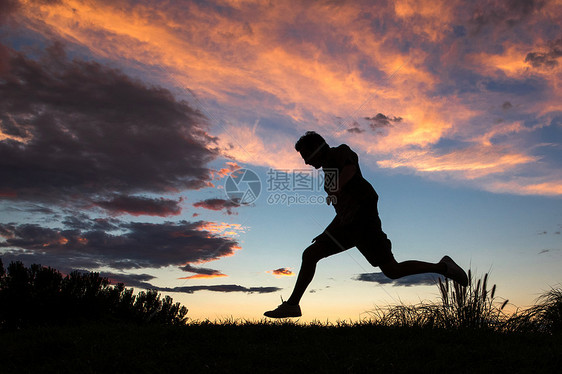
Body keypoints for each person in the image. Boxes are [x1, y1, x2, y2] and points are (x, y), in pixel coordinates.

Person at [264, 131, 468, 318]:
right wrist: (327, 232)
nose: (306, 162)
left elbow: (350, 169)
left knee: (311, 254)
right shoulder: (328, 176)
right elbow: (342, 211)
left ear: (317, 148)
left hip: (362, 222)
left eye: (306, 156)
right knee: (392, 270)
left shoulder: (340, 153)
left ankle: (292, 305)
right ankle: (444, 267)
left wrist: (337, 189)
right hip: (351, 225)